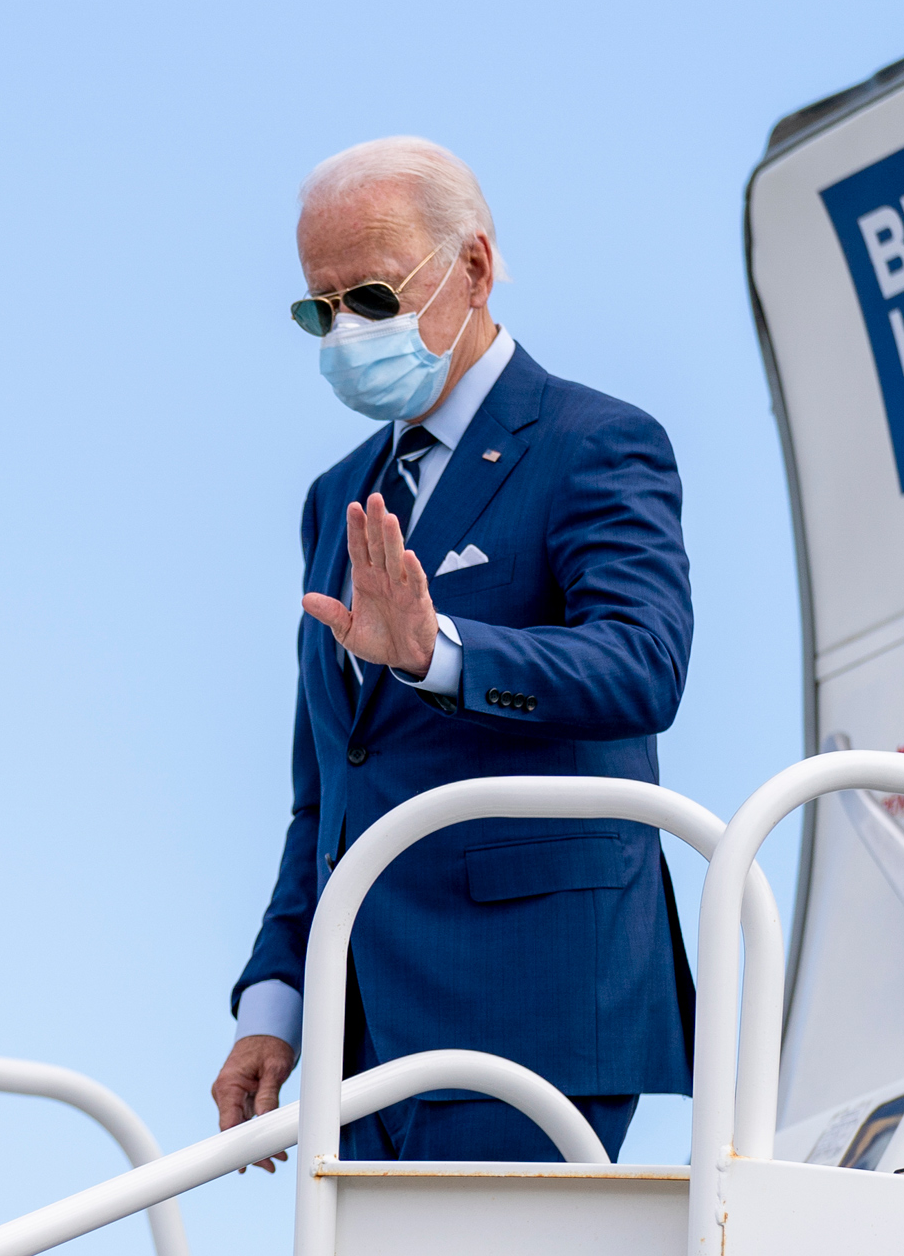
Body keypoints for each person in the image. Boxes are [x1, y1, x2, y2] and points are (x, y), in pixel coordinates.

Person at [211, 136, 695, 1166]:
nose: (344, 332)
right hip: (362, 1033)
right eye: (319, 309)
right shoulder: (335, 495)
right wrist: (276, 996)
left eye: (372, 299)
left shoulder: (593, 443)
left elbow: (643, 661)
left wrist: (441, 652)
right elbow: (331, 784)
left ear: (471, 269)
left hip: (529, 1010)